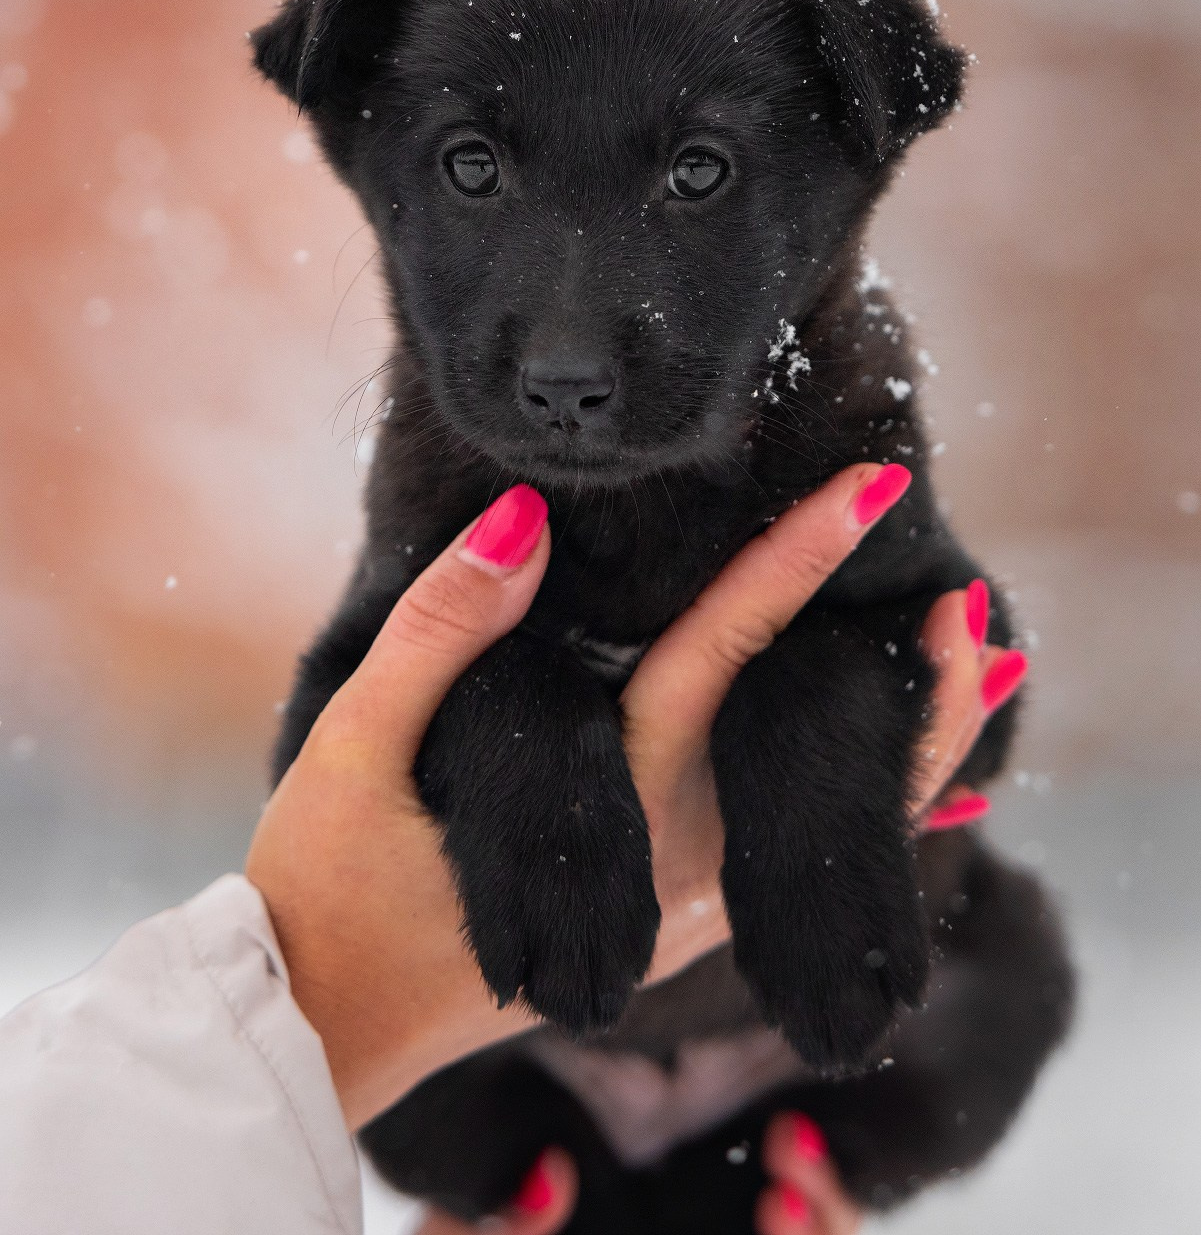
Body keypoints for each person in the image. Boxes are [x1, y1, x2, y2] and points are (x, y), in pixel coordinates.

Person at [0, 463, 1020, 1234]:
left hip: (784, 1098)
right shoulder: (452, 456)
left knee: (1011, 964)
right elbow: (346, 743)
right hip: (515, 1092)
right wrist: (328, 1005)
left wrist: (820, 740)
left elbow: (968, 709)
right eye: (475, 167)